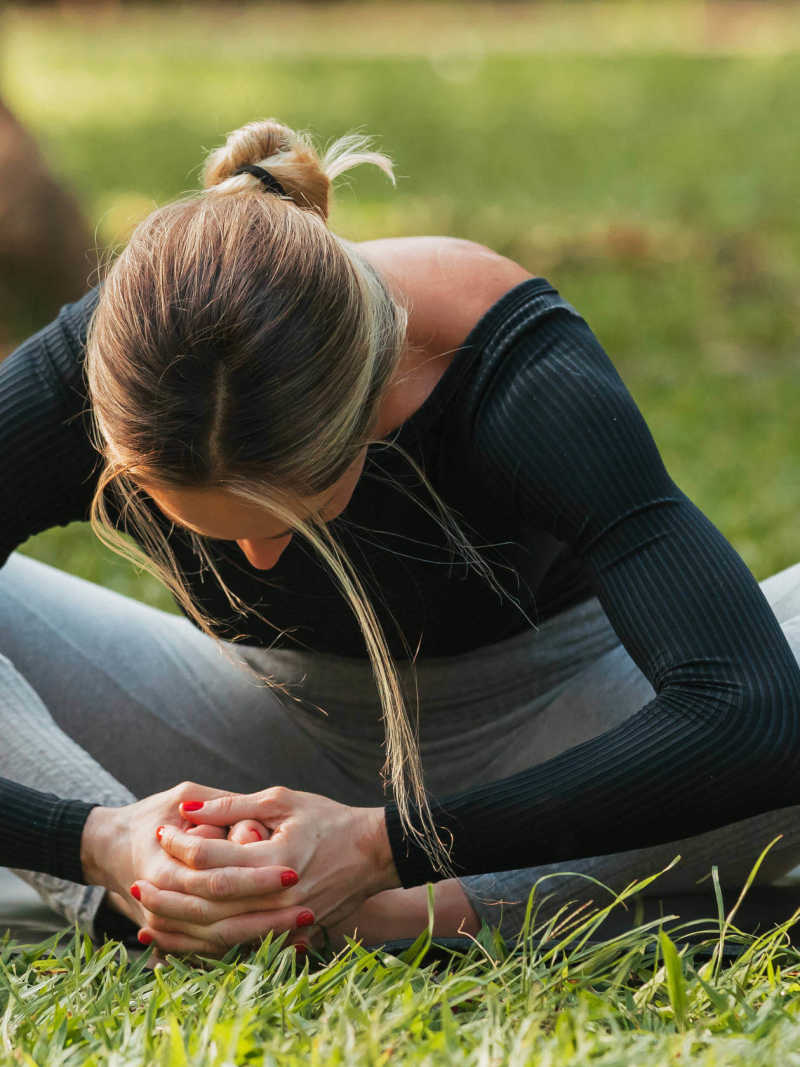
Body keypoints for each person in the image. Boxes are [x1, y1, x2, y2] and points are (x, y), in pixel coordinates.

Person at [1, 118, 799, 958]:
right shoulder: (118, 362)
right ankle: (171, 905)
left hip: (573, 733)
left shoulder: (500, 359)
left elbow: (747, 709)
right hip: (258, 732)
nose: (261, 562)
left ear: (375, 397)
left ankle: (406, 916)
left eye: (297, 514)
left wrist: (384, 850)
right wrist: (98, 838)